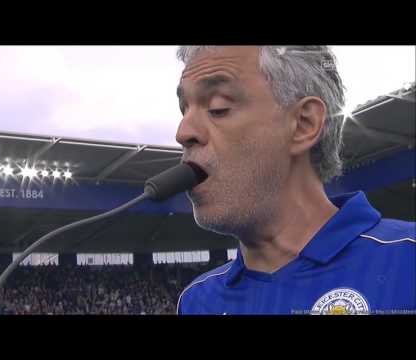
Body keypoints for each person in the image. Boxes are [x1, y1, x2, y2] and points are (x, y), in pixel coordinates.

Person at [175, 46, 415, 315]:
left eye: (218, 108)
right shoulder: (196, 300)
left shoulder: (407, 260)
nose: (183, 132)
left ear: (303, 123)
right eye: (184, 109)